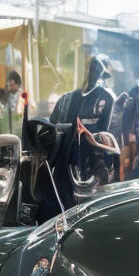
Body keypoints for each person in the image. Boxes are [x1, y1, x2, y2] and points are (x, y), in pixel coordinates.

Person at [50, 54, 119, 190]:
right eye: (90, 68)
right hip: (66, 157)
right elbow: (53, 124)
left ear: (102, 75)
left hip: (92, 160)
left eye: (97, 70)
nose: (91, 72)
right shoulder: (67, 98)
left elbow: (107, 133)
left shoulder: (107, 98)